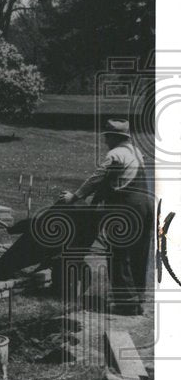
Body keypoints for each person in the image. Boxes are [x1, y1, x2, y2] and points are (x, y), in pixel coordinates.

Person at [60, 118, 153, 315]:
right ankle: (137, 299)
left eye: (107, 137)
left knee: (119, 254)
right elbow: (115, 179)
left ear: (113, 137)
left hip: (127, 209)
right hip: (145, 206)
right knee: (139, 253)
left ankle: (126, 304)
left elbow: (97, 178)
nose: (105, 142)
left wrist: (74, 197)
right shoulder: (136, 153)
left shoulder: (115, 154)